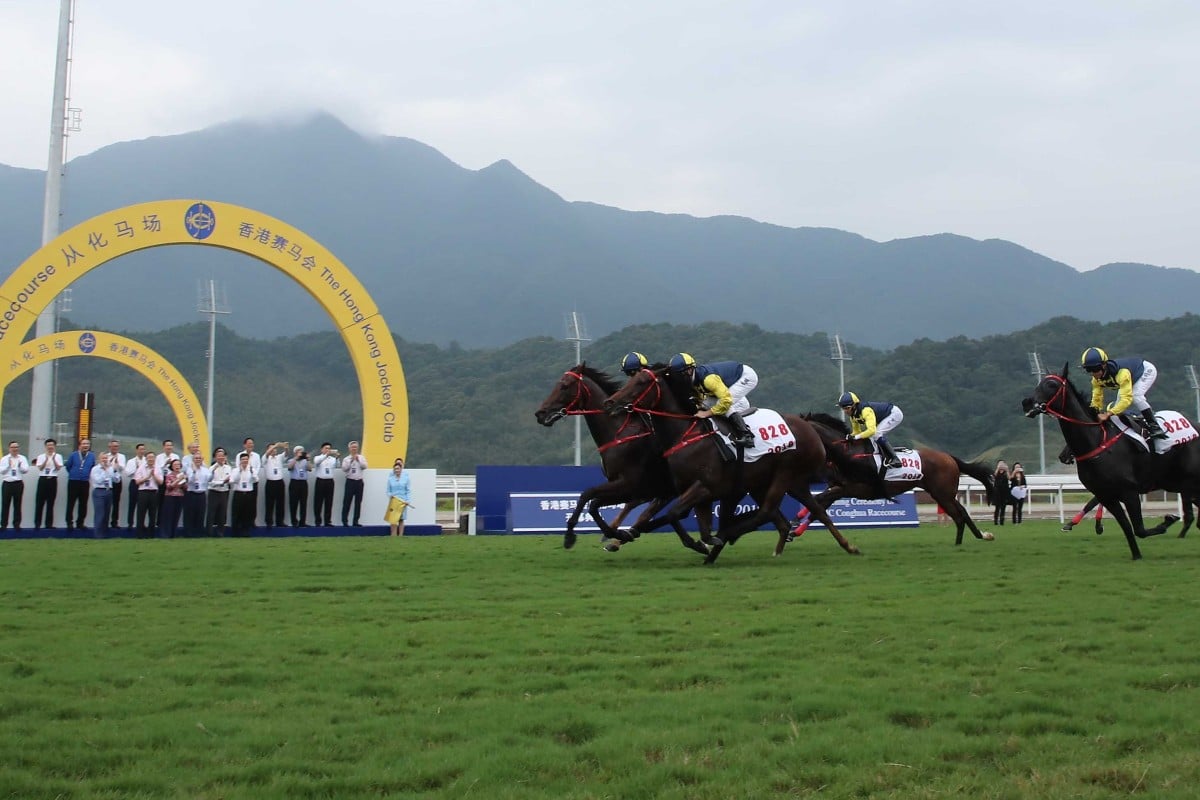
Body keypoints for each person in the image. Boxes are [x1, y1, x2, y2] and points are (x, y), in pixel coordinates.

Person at [666, 353, 758, 445]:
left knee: (721, 403)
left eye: (678, 375)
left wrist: (707, 413)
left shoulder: (708, 380)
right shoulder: (693, 379)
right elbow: (702, 399)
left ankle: (747, 435)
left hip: (746, 376)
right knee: (707, 403)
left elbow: (726, 400)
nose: (677, 379)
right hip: (730, 379)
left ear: (689, 370)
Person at [1081, 347, 1167, 440]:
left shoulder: (1121, 373)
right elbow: (1097, 398)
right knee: (1116, 410)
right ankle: (1137, 417)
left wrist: (1107, 414)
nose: (1094, 373)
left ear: (1104, 365)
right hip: (1130, 378)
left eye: (1095, 368)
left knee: (1136, 396)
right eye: (1089, 370)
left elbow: (1127, 399)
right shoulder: (1096, 381)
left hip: (1144, 370)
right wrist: (1094, 413)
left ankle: (1155, 427)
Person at [837, 391, 904, 469]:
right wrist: (849, 437)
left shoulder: (865, 411)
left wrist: (856, 437)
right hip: (883, 418)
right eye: (843, 409)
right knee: (873, 437)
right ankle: (883, 456)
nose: (845, 411)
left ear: (854, 405)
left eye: (847, 408)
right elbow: (856, 432)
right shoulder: (853, 416)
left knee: (876, 434)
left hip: (894, 414)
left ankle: (895, 459)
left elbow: (871, 430)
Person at [64, 438, 96, 531]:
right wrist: (73, 473)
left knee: (83, 503)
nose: (86, 445)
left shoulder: (91, 456)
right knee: (71, 502)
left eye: (87, 444)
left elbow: (92, 467)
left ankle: (80, 522)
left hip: (85, 482)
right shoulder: (73, 455)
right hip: (73, 481)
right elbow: (68, 466)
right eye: (84, 444)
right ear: (80, 445)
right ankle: (69, 522)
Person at [33, 439, 64, 529]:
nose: (50, 447)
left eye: (52, 445)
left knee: (51, 503)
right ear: (45, 446)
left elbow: (58, 468)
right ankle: (37, 523)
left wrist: (53, 460)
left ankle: (49, 524)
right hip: (43, 479)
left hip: (52, 479)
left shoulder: (58, 456)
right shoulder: (41, 456)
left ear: (54, 446)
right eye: (48, 445)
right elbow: (40, 468)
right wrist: (46, 460)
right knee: (39, 502)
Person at [88, 453, 121, 539]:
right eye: (103, 458)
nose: (105, 460)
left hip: (108, 491)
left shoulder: (110, 468)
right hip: (99, 491)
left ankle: (105, 534)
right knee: (100, 514)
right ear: (99, 459)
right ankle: (98, 535)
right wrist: (105, 471)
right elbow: (98, 480)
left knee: (106, 514)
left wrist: (115, 470)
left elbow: (116, 480)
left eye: (106, 458)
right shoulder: (95, 469)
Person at [0, 441, 30, 531]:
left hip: (18, 483)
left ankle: (17, 524)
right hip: (7, 483)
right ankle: (3, 525)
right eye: (13, 447)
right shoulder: (5, 459)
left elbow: (25, 470)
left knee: (17, 504)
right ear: (9, 448)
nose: (15, 449)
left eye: (16, 447)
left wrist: (20, 466)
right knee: (5, 504)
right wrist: (8, 466)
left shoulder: (22, 458)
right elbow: (2, 471)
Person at [133, 452, 163, 538]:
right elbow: (137, 481)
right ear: (146, 459)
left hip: (153, 493)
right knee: (141, 514)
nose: (151, 459)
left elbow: (161, 482)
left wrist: (153, 475)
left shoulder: (158, 468)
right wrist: (147, 476)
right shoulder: (141, 468)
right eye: (149, 458)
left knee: (153, 514)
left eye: (152, 457)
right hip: (143, 492)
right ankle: (139, 534)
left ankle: (151, 535)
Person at [182, 453, 212, 538]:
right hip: (191, 494)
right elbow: (190, 480)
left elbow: (209, 478)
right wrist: (194, 471)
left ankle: (199, 533)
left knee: (200, 514)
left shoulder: (205, 469)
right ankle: (188, 533)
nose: (198, 460)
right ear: (193, 460)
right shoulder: (189, 469)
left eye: (199, 458)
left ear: (202, 460)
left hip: (201, 494)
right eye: (196, 458)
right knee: (190, 514)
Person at [261, 441, 288, 528]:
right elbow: (267, 453)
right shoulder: (265, 458)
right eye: (272, 448)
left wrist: (285, 447)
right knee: (269, 504)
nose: (274, 450)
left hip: (279, 482)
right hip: (270, 483)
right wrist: (276, 445)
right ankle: (269, 522)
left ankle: (280, 521)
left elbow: (286, 454)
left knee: (280, 503)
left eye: (275, 449)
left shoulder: (279, 457)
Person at [206, 448, 232, 537]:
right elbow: (209, 482)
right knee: (211, 513)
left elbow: (230, 479)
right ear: (215, 457)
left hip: (224, 492)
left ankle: (220, 532)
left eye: (222, 456)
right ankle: (209, 532)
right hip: (214, 492)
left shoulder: (228, 467)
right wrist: (221, 482)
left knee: (222, 513)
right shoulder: (212, 468)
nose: (221, 458)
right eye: (219, 456)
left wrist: (228, 481)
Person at [230, 452, 258, 536]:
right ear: (240, 461)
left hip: (248, 493)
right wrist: (240, 471)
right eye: (243, 459)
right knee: (236, 513)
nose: (245, 461)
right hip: (238, 493)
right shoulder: (235, 470)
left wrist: (252, 473)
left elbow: (256, 480)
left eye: (246, 459)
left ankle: (246, 531)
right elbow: (233, 480)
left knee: (247, 513)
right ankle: (235, 532)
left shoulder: (252, 469)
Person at [311, 442, 339, 526]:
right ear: (322, 449)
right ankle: (318, 521)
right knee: (318, 502)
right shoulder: (318, 457)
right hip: (320, 481)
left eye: (329, 448)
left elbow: (337, 465)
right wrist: (326, 455)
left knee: (329, 502)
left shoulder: (332, 459)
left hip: (330, 481)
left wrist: (337, 457)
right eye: (326, 448)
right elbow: (317, 462)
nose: (328, 450)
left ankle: (327, 521)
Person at [340, 440, 367, 526]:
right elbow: (344, 469)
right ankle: (345, 521)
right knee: (347, 502)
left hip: (359, 482)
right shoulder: (346, 459)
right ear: (349, 449)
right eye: (352, 447)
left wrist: (358, 460)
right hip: (350, 481)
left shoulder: (361, 457)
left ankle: (356, 521)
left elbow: (365, 466)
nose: (354, 449)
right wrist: (351, 461)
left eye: (355, 447)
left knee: (358, 502)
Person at [159, 458, 188, 538]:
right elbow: (169, 487)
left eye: (178, 464)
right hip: (170, 497)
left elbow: (185, 488)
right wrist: (178, 480)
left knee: (176, 515)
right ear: (172, 466)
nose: (177, 466)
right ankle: (166, 534)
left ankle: (173, 534)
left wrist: (184, 481)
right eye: (175, 465)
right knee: (168, 516)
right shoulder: (169, 476)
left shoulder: (182, 475)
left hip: (180, 497)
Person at [124, 443, 150, 529]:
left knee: (142, 505)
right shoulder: (131, 461)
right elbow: (127, 473)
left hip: (144, 483)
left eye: (143, 449)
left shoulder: (147, 461)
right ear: (137, 450)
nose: (142, 451)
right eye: (140, 449)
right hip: (134, 482)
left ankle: (141, 524)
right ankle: (130, 523)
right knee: (132, 504)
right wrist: (137, 469)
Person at [386, 457, 412, 536]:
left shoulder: (406, 478)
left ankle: (400, 535)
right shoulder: (390, 479)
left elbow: (408, 490)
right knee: (393, 519)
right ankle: (393, 535)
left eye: (398, 468)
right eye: (395, 469)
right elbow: (388, 491)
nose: (397, 470)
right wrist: (391, 496)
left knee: (401, 519)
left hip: (402, 501)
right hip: (394, 501)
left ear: (401, 469)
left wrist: (408, 500)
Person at [286, 446, 310, 527]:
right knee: (293, 503)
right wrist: (296, 458)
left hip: (303, 483)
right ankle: (294, 521)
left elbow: (309, 468)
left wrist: (308, 459)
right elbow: (289, 467)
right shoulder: (291, 460)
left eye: (302, 452)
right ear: (295, 452)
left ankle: (302, 521)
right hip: (294, 483)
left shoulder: (305, 461)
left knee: (303, 503)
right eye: (299, 451)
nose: (301, 453)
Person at [105, 440, 127, 529]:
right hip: (107, 480)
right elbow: (104, 467)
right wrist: (110, 463)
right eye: (113, 446)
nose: (115, 448)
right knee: (106, 502)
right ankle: (105, 521)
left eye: (117, 446)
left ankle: (114, 522)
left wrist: (117, 464)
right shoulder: (106, 456)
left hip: (117, 480)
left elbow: (122, 469)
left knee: (116, 502)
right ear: (109, 447)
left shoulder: (121, 456)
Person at [992, 460, 1010, 526]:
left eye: (1003, 464)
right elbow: (994, 476)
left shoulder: (1006, 473)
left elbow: (1009, 478)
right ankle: (996, 521)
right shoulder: (997, 472)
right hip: (997, 491)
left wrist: (1007, 469)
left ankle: (1002, 521)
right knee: (997, 507)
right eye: (1000, 464)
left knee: (1003, 507)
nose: (1001, 466)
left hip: (1004, 491)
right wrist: (998, 468)